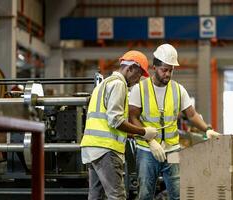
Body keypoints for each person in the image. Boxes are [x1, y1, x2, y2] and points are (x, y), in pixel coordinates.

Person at [129, 44, 221, 200]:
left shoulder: (178, 89)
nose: (168, 74)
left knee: (178, 194)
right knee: (145, 194)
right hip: (147, 150)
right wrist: (150, 141)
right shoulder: (140, 89)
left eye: (171, 70)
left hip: (173, 150)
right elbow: (133, 117)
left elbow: (191, 115)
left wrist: (207, 129)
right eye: (164, 70)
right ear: (154, 67)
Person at [80, 50, 159, 200]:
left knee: (96, 195)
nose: (138, 80)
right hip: (106, 149)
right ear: (130, 69)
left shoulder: (104, 84)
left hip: (93, 147)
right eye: (139, 74)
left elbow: (107, 122)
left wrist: (137, 135)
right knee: (117, 196)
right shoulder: (119, 85)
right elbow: (115, 120)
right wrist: (143, 131)